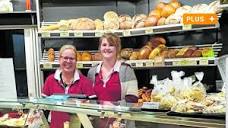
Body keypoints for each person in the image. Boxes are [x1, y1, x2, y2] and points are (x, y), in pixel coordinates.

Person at [87, 33, 138, 128]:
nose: (107, 48)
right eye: (104, 45)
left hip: (121, 123)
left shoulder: (126, 70)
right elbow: (90, 99)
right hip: (97, 124)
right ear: (100, 48)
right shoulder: (92, 72)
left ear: (117, 48)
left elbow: (133, 99)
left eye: (111, 45)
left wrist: (114, 106)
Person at [42, 44, 95, 128]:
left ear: (76, 61)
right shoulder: (50, 80)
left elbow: (93, 110)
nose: (68, 61)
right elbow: (43, 107)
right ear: (59, 59)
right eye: (65, 58)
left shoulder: (86, 82)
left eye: (72, 58)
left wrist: (85, 104)